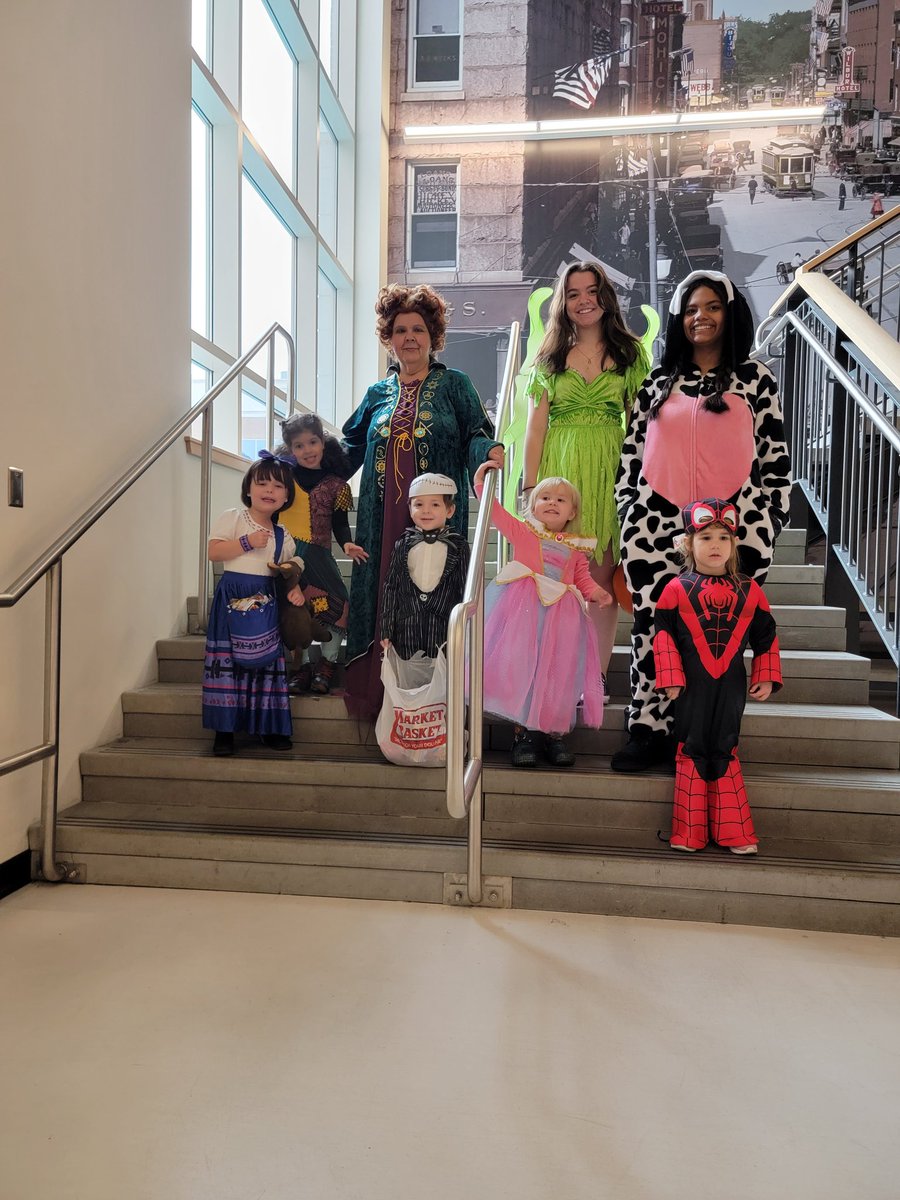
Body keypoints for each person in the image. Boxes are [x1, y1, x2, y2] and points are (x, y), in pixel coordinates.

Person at [613, 270, 791, 773]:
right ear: (678, 319)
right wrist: (630, 512)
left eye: (711, 306)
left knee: (716, 633)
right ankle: (647, 730)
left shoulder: (755, 379)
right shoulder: (657, 383)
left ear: (728, 313)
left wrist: (769, 521)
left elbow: (775, 460)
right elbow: (631, 456)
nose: (701, 317)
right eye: (691, 309)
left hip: (731, 532)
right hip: (654, 527)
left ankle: (702, 737)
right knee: (653, 629)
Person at [341, 284, 504, 721]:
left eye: (418, 328)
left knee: (431, 596)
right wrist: (306, 473)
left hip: (435, 521)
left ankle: (435, 702)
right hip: (381, 519)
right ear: (388, 338)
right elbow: (347, 448)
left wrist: (487, 455)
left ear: (433, 335)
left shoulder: (456, 384)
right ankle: (382, 698)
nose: (409, 337)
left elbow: (475, 433)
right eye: (399, 330)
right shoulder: (378, 394)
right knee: (384, 595)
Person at [523, 261, 651, 697]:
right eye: (573, 293)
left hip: (612, 467)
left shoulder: (631, 354)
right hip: (560, 469)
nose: (583, 301)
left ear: (605, 296)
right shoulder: (549, 355)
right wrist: (529, 488)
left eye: (591, 291)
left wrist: (641, 482)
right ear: (564, 301)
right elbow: (535, 428)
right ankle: (553, 674)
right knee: (556, 578)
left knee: (601, 578)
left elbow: (640, 426)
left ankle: (593, 677)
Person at [654, 498, 782, 853]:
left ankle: (734, 831)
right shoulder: (675, 589)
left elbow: (766, 635)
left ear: (734, 544)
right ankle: (688, 831)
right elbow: (662, 634)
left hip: (731, 683)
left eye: (723, 538)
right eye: (706, 537)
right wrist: (670, 676)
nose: (715, 545)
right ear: (688, 544)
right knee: (692, 744)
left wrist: (767, 674)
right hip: (690, 686)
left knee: (726, 743)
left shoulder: (750, 589)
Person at [473, 465, 609, 769]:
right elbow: (496, 513)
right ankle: (524, 736)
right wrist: (481, 483)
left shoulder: (576, 548)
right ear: (532, 506)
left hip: (561, 619)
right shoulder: (524, 532)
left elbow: (581, 579)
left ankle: (553, 733)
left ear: (572, 512)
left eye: (560, 500)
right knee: (525, 671)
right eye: (544, 497)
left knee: (556, 674)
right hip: (525, 616)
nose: (551, 503)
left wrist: (597, 593)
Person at [201, 455, 303, 757]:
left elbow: (286, 569)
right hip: (231, 599)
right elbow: (214, 552)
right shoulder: (233, 517)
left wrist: (294, 586)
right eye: (262, 483)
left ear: (286, 497)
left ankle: (269, 727)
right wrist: (246, 542)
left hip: (266, 601)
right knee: (228, 664)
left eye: (277, 485)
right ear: (249, 489)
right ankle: (225, 731)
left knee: (267, 662)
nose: (269, 490)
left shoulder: (283, 535)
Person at [277, 412, 367, 695]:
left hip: (319, 555)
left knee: (337, 607)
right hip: (287, 557)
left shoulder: (336, 484)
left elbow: (339, 522)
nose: (307, 450)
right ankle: (301, 667)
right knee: (296, 611)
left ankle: (326, 664)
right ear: (290, 450)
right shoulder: (282, 478)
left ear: (323, 443)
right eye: (299, 446)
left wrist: (347, 543)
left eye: (312, 442)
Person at [380, 473, 470, 660]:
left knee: (442, 675)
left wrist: (466, 629)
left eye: (435, 504)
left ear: (450, 510)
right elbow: (391, 587)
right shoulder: (402, 544)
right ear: (410, 508)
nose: (426, 511)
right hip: (406, 624)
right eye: (419, 504)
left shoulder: (459, 546)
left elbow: (464, 588)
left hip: (444, 624)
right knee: (408, 678)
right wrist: (387, 628)